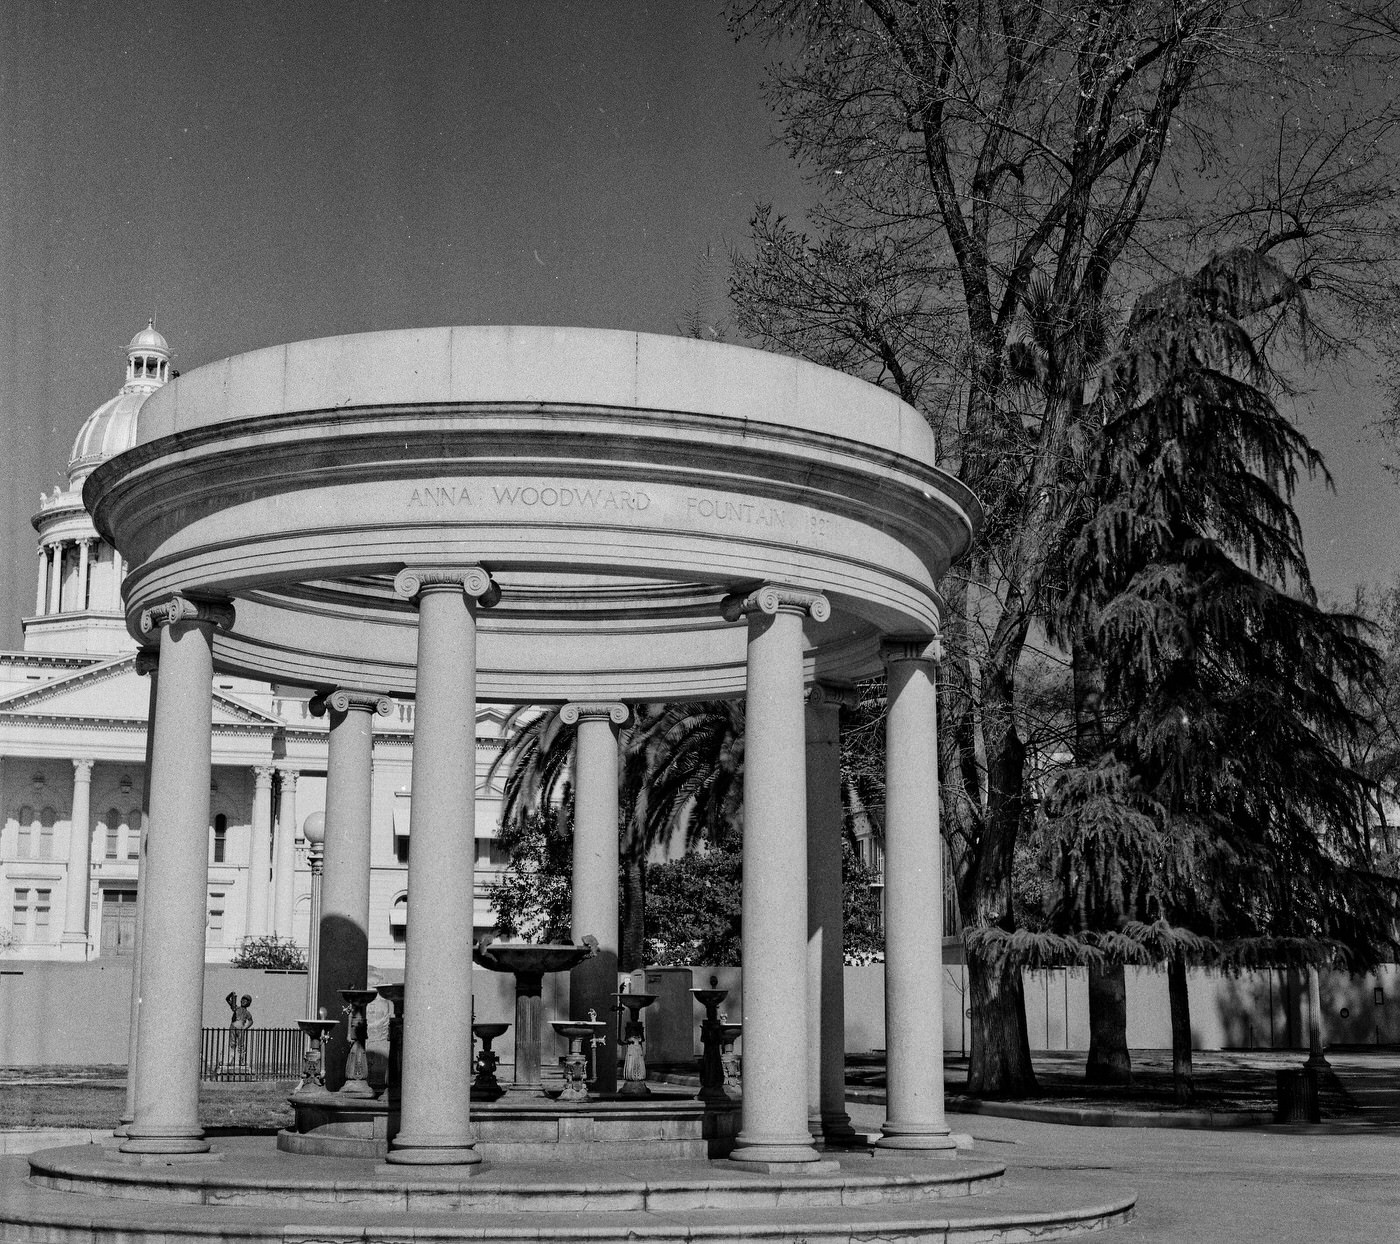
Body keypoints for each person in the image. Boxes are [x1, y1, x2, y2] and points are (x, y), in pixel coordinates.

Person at [226, 991, 253, 1066]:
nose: (243, 1001)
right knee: (232, 1044)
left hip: (241, 1029)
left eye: (246, 1001)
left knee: (241, 1045)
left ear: (248, 1003)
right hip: (233, 1027)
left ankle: (242, 1060)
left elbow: (251, 1021)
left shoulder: (247, 1013)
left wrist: (245, 1028)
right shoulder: (236, 1008)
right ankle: (231, 1059)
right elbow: (227, 999)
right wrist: (231, 994)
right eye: (243, 1000)